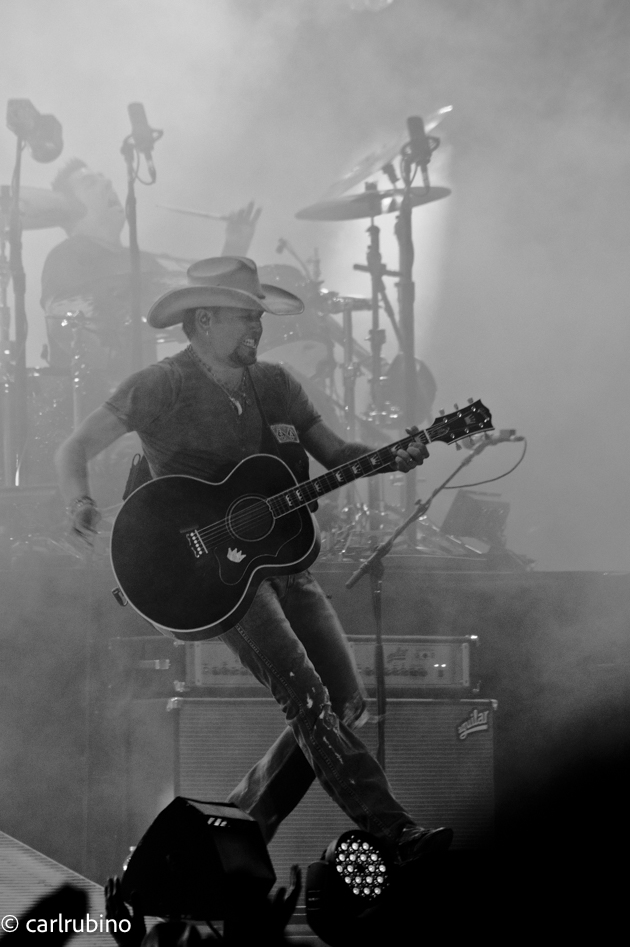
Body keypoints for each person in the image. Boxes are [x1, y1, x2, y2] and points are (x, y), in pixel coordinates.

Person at [54, 257, 453, 869]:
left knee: (343, 701)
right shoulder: (160, 384)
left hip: (283, 560)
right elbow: (74, 446)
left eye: (260, 316)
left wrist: (396, 454)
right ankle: (394, 831)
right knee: (308, 699)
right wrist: (81, 504)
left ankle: (216, 851)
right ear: (203, 320)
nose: (258, 327)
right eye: (246, 316)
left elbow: (337, 453)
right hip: (213, 578)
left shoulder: (277, 384)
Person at [41, 158, 261, 397]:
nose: (107, 183)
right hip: (90, 402)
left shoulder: (143, 263)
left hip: (145, 399)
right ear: (69, 208)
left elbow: (199, 308)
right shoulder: (65, 258)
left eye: (103, 177)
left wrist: (234, 247)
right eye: (90, 183)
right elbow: (63, 326)